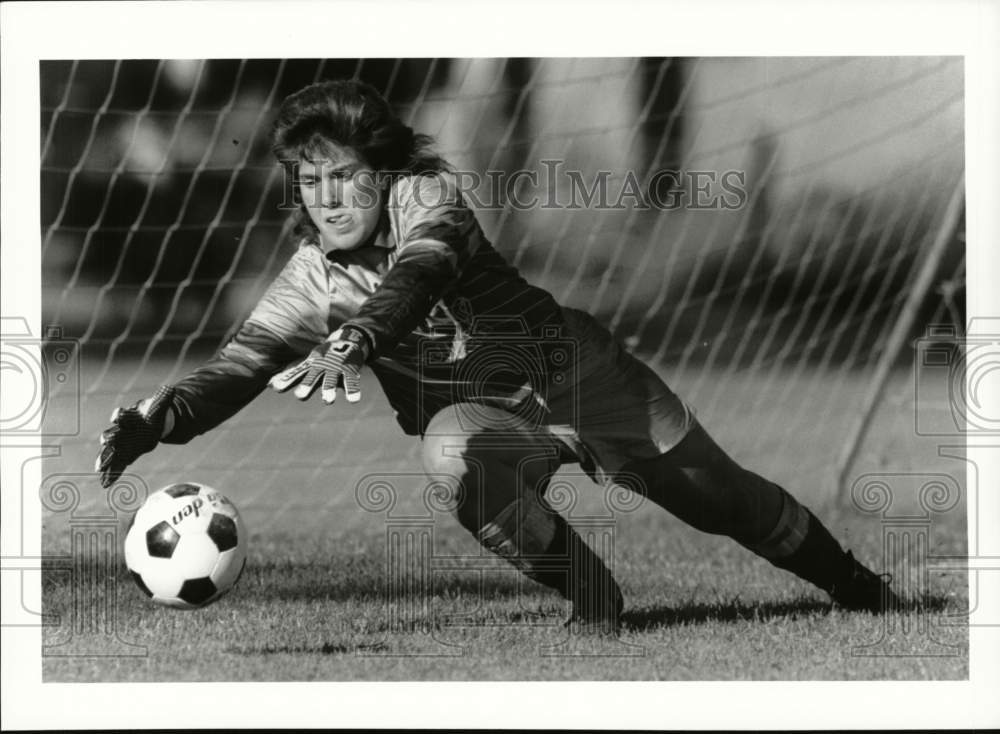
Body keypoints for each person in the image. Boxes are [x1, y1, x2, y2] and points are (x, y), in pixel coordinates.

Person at [97, 79, 899, 633]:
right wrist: (160, 418)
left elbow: (421, 271)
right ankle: (592, 598)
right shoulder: (309, 281)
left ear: (383, 172)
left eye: (344, 176)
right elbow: (236, 370)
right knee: (450, 453)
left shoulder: (428, 198)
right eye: (308, 181)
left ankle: (860, 588)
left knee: (722, 504)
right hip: (489, 419)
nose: (327, 198)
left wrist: (365, 335)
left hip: (578, 375)